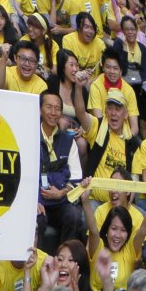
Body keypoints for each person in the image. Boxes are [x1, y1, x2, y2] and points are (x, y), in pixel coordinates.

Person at [38, 91, 83, 245]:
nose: (53, 112)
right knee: (36, 220)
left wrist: (62, 193)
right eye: (49, 107)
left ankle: (64, 261)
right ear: (39, 110)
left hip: (60, 201)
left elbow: (76, 179)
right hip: (37, 201)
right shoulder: (29, 136)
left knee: (75, 216)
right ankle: (39, 264)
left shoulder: (68, 141)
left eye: (57, 109)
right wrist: (32, 203)